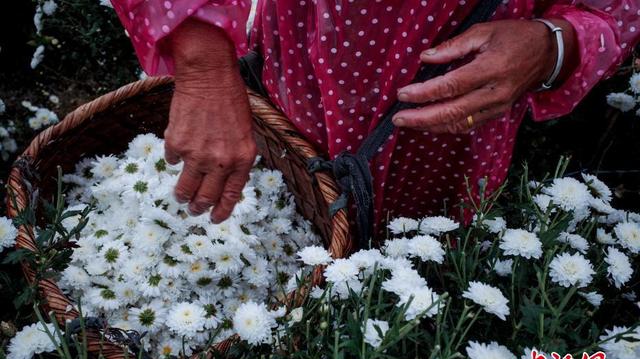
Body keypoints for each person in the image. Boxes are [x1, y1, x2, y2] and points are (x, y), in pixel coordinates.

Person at [110, 0, 639, 234]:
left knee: (423, 244)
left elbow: (613, 10)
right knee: (291, 198)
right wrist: (203, 63)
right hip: (302, 56)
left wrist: (555, 47)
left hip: (463, 104)